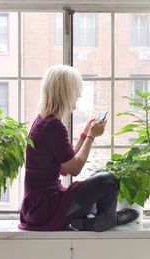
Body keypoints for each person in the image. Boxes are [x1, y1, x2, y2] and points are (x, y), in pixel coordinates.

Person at [19, 65, 139, 232]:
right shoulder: (53, 126)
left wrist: (83, 135)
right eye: (76, 91)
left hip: (35, 208)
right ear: (65, 92)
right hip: (47, 208)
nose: (78, 95)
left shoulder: (42, 121)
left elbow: (64, 169)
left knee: (95, 187)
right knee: (108, 179)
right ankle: (108, 218)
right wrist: (91, 137)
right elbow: (75, 169)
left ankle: (94, 219)